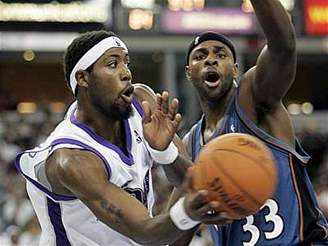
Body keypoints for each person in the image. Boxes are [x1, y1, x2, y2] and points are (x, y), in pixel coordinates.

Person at [14, 30, 226, 246]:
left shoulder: (141, 102)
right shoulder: (71, 159)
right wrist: (188, 213)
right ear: (83, 78)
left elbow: (188, 180)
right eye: (113, 64)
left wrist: (165, 153)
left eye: (126, 62)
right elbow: (144, 231)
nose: (126, 73)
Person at [182, 0, 328, 245]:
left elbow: (283, 46)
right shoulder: (190, 143)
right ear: (188, 71)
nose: (210, 60)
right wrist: (162, 153)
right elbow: (175, 230)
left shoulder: (253, 97)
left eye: (221, 54)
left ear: (236, 69)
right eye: (200, 55)